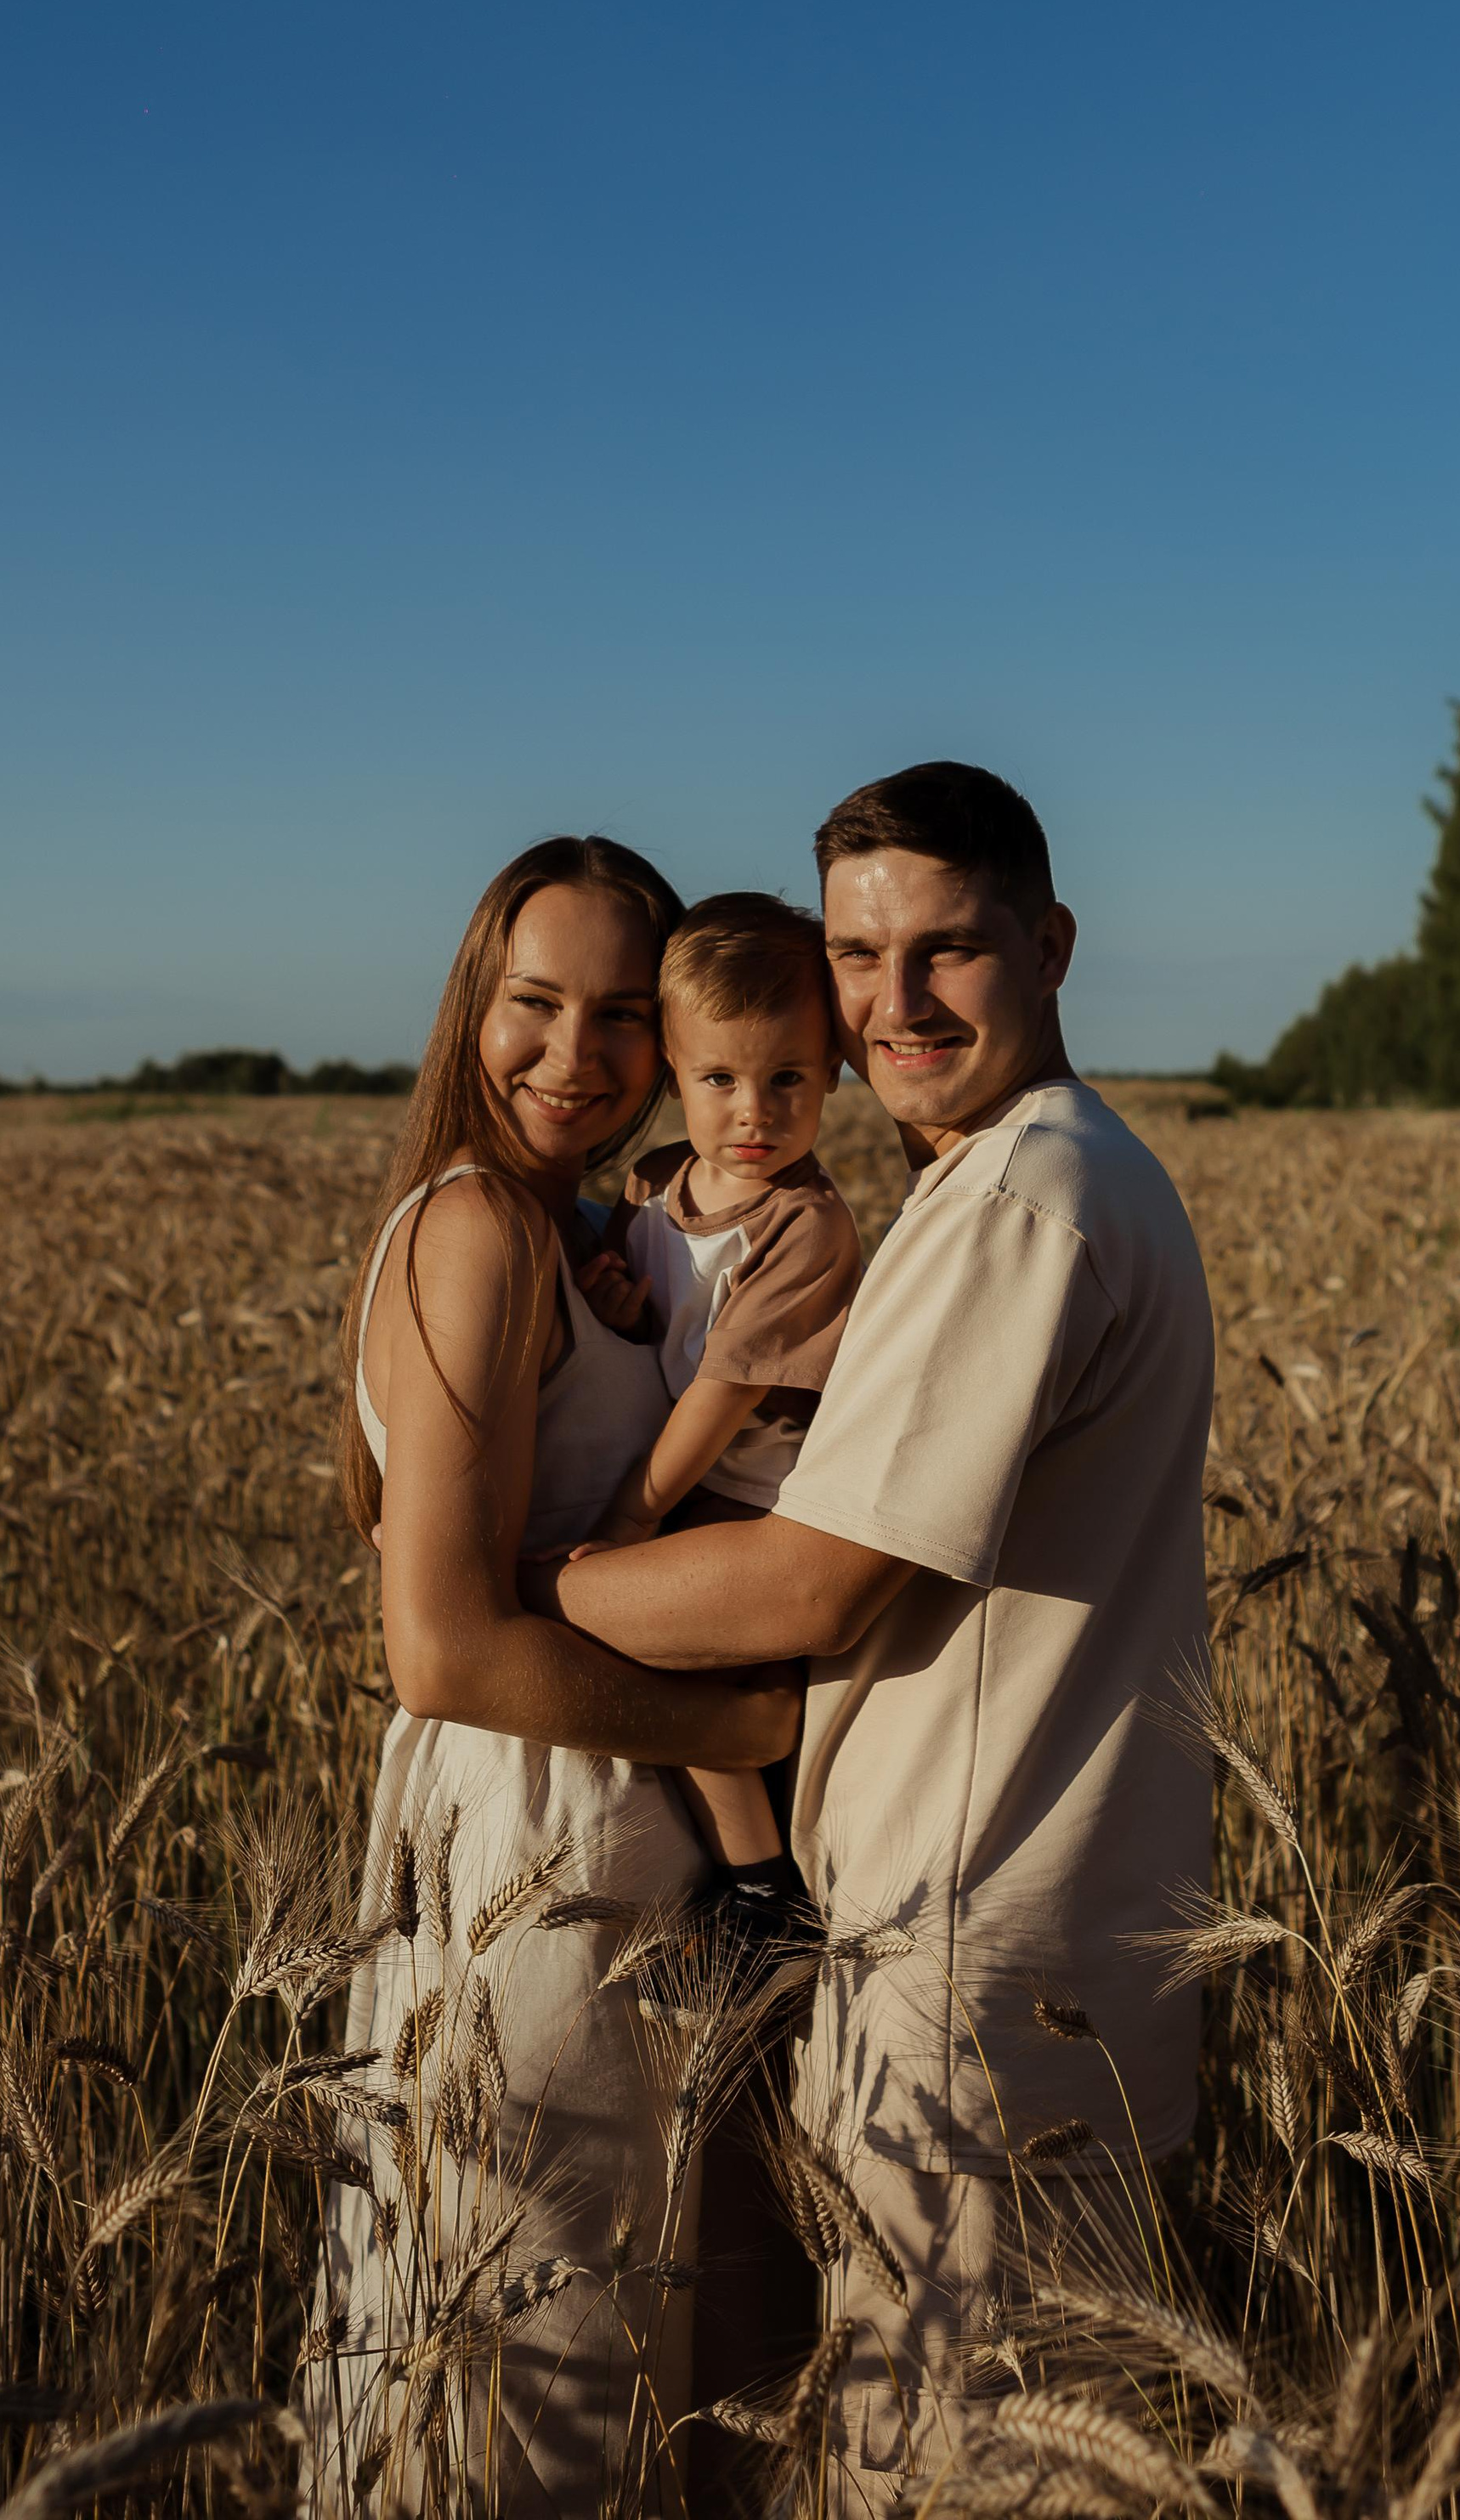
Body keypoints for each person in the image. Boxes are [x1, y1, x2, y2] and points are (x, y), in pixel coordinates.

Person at [537, 764, 1216, 2509]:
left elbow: (811, 1586)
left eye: (947, 951)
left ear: (1049, 946)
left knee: (965, 2461)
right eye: (855, 954)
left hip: (971, 1952)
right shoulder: (1045, 1178)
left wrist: (536, 1580)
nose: (893, 1002)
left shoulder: (1013, 1204)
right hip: (1026, 1934)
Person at [306, 834, 799, 2520]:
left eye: (616, 1019)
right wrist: (748, 1724)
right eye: (532, 1006)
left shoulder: (573, 1230)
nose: (572, 1059)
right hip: (549, 1844)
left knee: (632, 2350)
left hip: (607, 1841)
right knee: (549, 2368)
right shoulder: (474, 1234)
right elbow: (441, 1645)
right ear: (473, 1005)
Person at [574, 890, 863, 1960]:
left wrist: (630, 1513)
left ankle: (760, 1888)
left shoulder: (804, 1225)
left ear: (832, 1070)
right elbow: (670, 1321)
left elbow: (722, 1389)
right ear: (674, 1075)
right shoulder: (654, 1188)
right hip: (679, 1482)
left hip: (749, 1498)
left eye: (787, 1078)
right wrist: (625, 1303)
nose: (755, 1112)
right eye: (719, 1080)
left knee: (687, 1678)